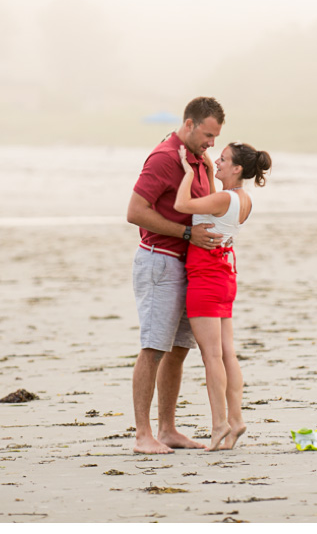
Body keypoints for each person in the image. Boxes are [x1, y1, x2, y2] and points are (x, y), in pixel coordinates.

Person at [126, 97, 228, 454]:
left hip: (190, 266)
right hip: (159, 262)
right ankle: (143, 435)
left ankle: (168, 429)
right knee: (154, 347)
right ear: (189, 124)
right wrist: (186, 234)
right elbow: (135, 212)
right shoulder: (164, 157)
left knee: (178, 350)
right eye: (208, 135)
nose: (212, 143)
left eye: (216, 137)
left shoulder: (198, 160)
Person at [174, 141, 271, 451]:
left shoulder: (222, 198)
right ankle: (236, 419)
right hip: (225, 277)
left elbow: (181, 205)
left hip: (205, 278)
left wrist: (189, 171)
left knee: (211, 356)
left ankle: (219, 425)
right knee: (227, 352)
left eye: (223, 159)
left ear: (237, 168)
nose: (217, 161)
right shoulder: (245, 199)